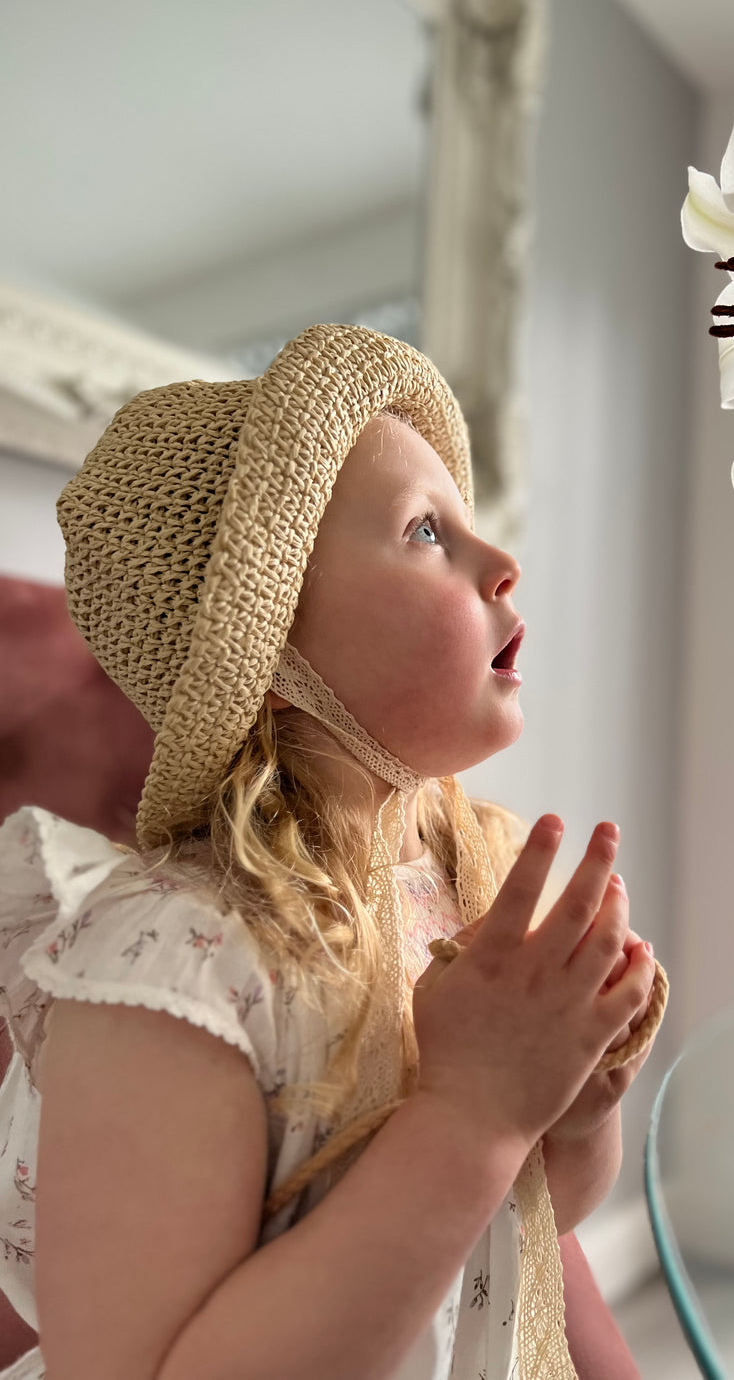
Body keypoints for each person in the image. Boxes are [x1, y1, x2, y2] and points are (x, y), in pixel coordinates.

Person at [0, 325, 668, 1380]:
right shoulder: (171, 965)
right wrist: (474, 1111)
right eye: (424, 532)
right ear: (264, 651)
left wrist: (567, 1110)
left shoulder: (460, 880)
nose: (502, 563)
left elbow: (521, 1229)